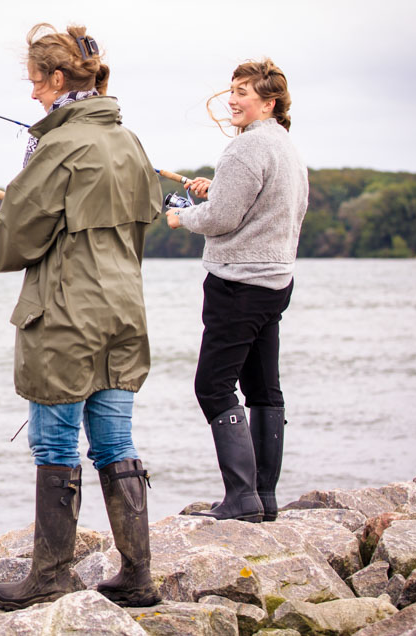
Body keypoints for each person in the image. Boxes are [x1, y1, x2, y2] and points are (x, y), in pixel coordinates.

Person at [0, 23, 162, 610]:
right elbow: (146, 212)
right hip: (123, 309)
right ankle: (138, 576)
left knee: (54, 442)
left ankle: (51, 575)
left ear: (58, 79)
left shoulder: (58, 146)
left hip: (65, 313)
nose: (32, 93)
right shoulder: (128, 141)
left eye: (35, 81)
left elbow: (10, 249)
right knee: (115, 440)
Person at [165, 58, 308, 523]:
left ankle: (242, 497)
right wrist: (215, 189)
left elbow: (223, 219)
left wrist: (182, 217)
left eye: (244, 92)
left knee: (212, 386)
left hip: (237, 285)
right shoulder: (285, 146)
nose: (233, 99)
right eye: (233, 90)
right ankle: (263, 498)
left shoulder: (245, 149)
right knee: (264, 388)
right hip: (275, 283)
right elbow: (259, 203)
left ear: (269, 103)